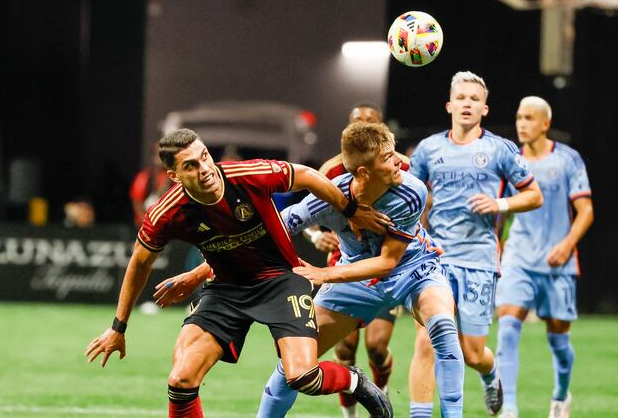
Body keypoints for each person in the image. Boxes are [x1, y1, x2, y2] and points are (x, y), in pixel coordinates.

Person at [157, 122, 464, 418]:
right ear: (364, 172)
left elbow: (387, 262)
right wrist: (197, 274)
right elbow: (262, 235)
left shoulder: (411, 191)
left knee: (443, 328)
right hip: (356, 279)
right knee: (296, 366)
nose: (400, 161)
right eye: (388, 156)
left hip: (414, 270)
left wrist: (323, 274)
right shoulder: (329, 198)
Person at [84, 128, 393, 417]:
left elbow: (307, 175)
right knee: (181, 379)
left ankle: (352, 380)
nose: (204, 169)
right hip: (226, 290)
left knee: (303, 377)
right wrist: (118, 327)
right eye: (191, 166)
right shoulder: (167, 213)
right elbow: (139, 263)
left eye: (205, 156)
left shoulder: (247, 175)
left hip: (281, 279)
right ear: (174, 176)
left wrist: (351, 211)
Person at [409, 71, 544, 416]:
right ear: (449, 105)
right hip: (434, 261)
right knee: (426, 342)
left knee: (471, 353)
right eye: (461, 98)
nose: (467, 104)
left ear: (485, 109)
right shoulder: (428, 149)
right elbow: (409, 199)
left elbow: (534, 195)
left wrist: (499, 204)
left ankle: (490, 373)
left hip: (479, 261)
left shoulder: (499, 150)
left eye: (474, 99)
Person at [307, 102, 414, 418]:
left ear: (382, 130)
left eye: (370, 120)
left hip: (386, 267)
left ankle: (381, 397)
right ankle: (351, 415)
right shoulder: (331, 170)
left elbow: (419, 211)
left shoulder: (402, 167)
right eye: (357, 120)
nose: (363, 124)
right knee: (344, 349)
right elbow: (308, 213)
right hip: (344, 262)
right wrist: (316, 236)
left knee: (377, 348)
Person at [494, 96, 594, 418]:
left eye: (529, 118)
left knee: (560, 343)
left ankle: (561, 396)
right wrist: (495, 249)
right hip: (519, 259)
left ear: (545, 123)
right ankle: (509, 408)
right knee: (507, 328)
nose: (522, 124)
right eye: (519, 117)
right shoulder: (510, 161)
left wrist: (567, 245)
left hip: (558, 263)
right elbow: (499, 211)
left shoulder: (567, 159)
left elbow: (586, 211)